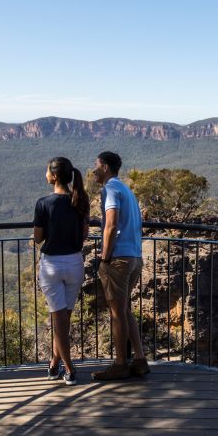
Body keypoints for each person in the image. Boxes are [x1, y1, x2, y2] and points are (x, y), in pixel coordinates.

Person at [91, 150, 150, 381]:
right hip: (135, 256)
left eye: (96, 165)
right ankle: (140, 359)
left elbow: (112, 224)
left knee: (117, 313)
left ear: (105, 167)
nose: (94, 170)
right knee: (125, 309)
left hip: (119, 259)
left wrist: (105, 257)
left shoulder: (110, 189)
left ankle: (119, 364)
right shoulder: (126, 189)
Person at [33, 156, 89, 386]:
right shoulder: (80, 201)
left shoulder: (43, 203)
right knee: (63, 319)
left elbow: (38, 238)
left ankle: (69, 368)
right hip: (75, 263)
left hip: (52, 266)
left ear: (54, 176)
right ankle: (54, 364)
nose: (45, 174)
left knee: (60, 321)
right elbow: (84, 235)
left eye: (47, 171)